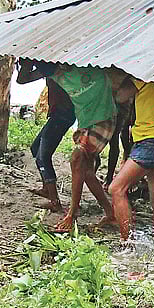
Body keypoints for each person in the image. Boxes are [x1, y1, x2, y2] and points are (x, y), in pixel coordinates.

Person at [108, 78, 154, 245]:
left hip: (151, 138)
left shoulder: (144, 75)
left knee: (116, 189)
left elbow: (120, 96)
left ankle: (127, 246)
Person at [48, 65, 118, 233]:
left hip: (104, 117)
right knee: (86, 171)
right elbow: (22, 78)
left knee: (77, 158)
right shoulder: (55, 75)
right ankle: (110, 213)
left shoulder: (89, 66)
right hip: (86, 123)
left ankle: (72, 214)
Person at [16, 59, 75, 213]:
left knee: (43, 157)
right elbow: (21, 80)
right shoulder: (50, 68)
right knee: (36, 148)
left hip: (63, 115)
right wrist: (26, 64)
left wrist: (28, 62)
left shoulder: (56, 67)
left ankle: (55, 202)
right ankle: (46, 189)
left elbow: (23, 79)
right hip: (59, 114)